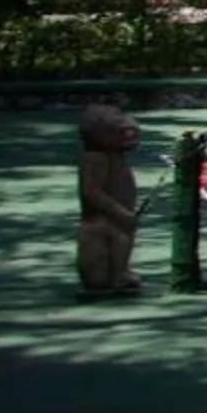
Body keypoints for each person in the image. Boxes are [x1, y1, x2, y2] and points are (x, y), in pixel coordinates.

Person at [77, 100, 146, 298]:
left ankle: (119, 275)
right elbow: (90, 192)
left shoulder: (115, 155)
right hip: (100, 222)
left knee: (123, 240)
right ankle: (104, 278)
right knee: (96, 275)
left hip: (120, 221)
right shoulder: (95, 157)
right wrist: (119, 211)